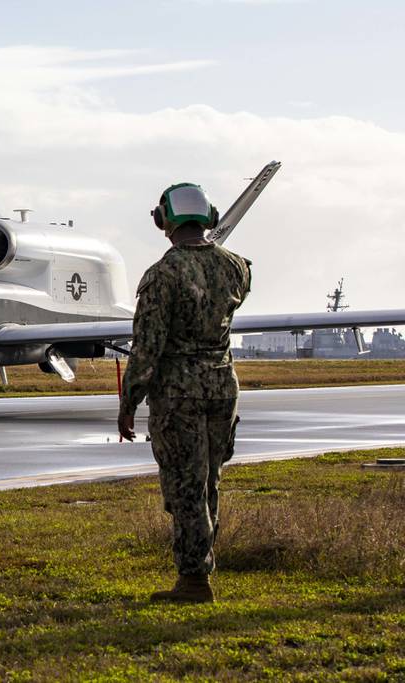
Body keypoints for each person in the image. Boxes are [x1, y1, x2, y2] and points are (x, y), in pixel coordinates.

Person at [118, 182, 252, 603]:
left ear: (164, 221)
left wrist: (129, 402)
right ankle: (201, 567)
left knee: (184, 486)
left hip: (180, 395)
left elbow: (147, 347)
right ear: (209, 216)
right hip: (223, 388)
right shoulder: (236, 267)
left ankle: (194, 580)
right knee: (210, 480)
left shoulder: (163, 275)